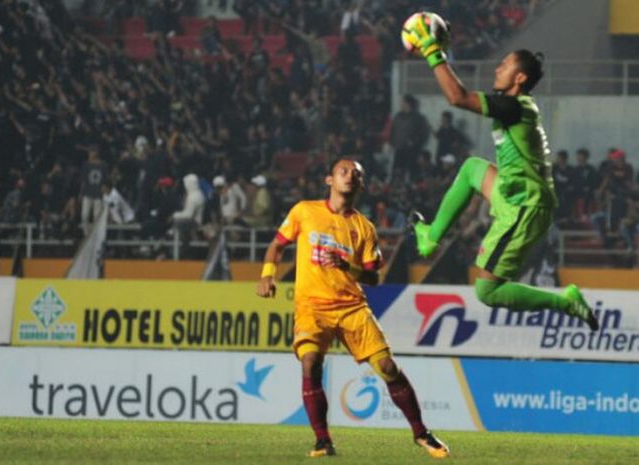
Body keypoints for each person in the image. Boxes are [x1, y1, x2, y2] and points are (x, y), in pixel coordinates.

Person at [406, 17, 598, 330]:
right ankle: (430, 237)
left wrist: (433, 53)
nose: (497, 68)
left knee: (487, 290)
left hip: (526, 206)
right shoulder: (512, 106)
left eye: (505, 65)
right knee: (471, 169)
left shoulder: (516, 107)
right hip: (514, 191)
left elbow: (458, 97)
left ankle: (565, 301)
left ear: (519, 77)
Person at [256, 159, 449, 459]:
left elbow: (373, 277)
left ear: (360, 185)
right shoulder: (304, 211)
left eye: (355, 174)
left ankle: (422, 434)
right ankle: (323, 441)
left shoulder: (364, 228)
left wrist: (348, 267)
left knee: (387, 367)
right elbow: (277, 245)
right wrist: (268, 274)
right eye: (343, 172)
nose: (349, 176)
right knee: (310, 363)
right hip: (313, 306)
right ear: (329, 180)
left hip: (352, 307)